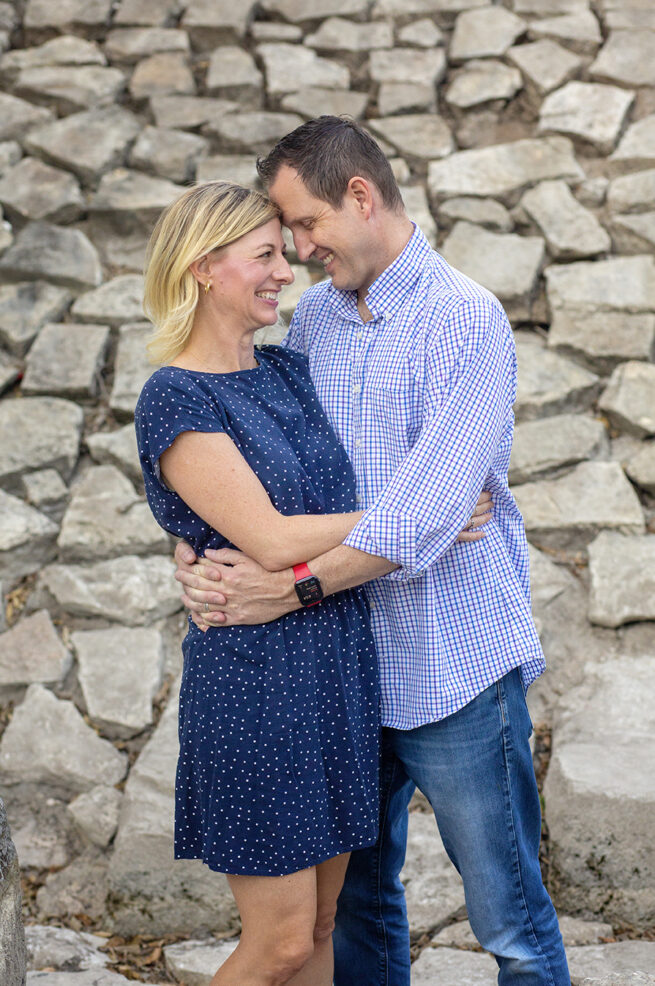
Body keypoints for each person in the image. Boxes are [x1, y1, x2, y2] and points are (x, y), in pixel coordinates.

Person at [174, 117, 571, 985]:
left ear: (360, 195)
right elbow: (261, 467)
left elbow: (428, 519)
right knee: (356, 915)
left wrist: (290, 588)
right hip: (340, 678)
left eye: (305, 227)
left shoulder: (465, 319)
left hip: (450, 664)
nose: (299, 253)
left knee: (508, 918)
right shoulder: (312, 323)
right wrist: (193, 542)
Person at [134, 180, 487, 986]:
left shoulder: (288, 371)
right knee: (281, 944)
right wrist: (423, 507)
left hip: (333, 674)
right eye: (262, 255)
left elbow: (312, 509)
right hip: (256, 690)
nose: (285, 270)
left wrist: (403, 511)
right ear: (201, 269)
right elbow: (266, 537)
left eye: (281, 252)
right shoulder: (175, 396)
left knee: (325, 927)